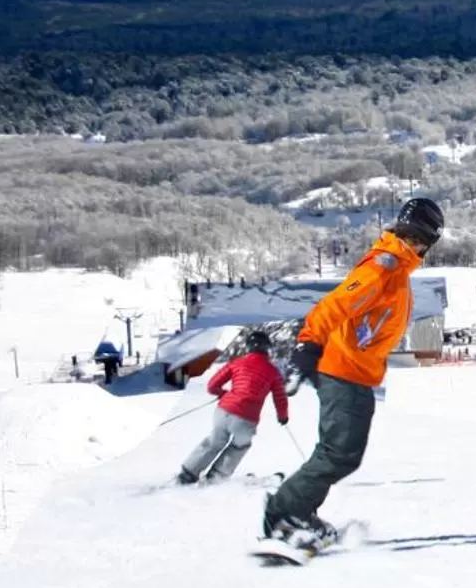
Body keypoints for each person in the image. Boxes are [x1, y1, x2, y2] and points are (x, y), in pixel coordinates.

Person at [261, 197, 443, 548]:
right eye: (424, 241)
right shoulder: (384, 268)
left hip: (356, 371)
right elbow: (334, 305)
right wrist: (307, 345)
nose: (422, 248)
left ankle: (296, 511)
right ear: (421, 236)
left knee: (342, 453)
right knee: (338, 453)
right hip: (344, 370)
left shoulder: (396, 268)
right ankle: (284, 513)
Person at [180, 330, 290, 485]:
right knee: (240, 446)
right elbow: (280, 398)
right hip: (246, 418)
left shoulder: (236, 363)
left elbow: (212, 386)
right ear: (267, 348)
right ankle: (215, 478)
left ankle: (187, 474)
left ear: (248, 347)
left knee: (214, 442)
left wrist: (223, 394)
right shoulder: (272, 371)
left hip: (223, 411)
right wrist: (283, 416)